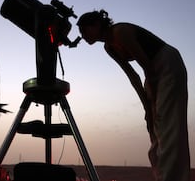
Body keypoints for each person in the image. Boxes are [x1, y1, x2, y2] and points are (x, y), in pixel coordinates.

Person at [76, 10, 190, 181]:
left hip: (167, 64)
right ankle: (162, 175)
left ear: (97, 25)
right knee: (154, 127)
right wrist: (147, 107)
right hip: (152, 72)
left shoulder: (120, 32)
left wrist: (152, 104)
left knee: (169, 125)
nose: (83, 36)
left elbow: (147, 67)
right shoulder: (109, 47)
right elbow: (133, 77)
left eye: (85, 31)